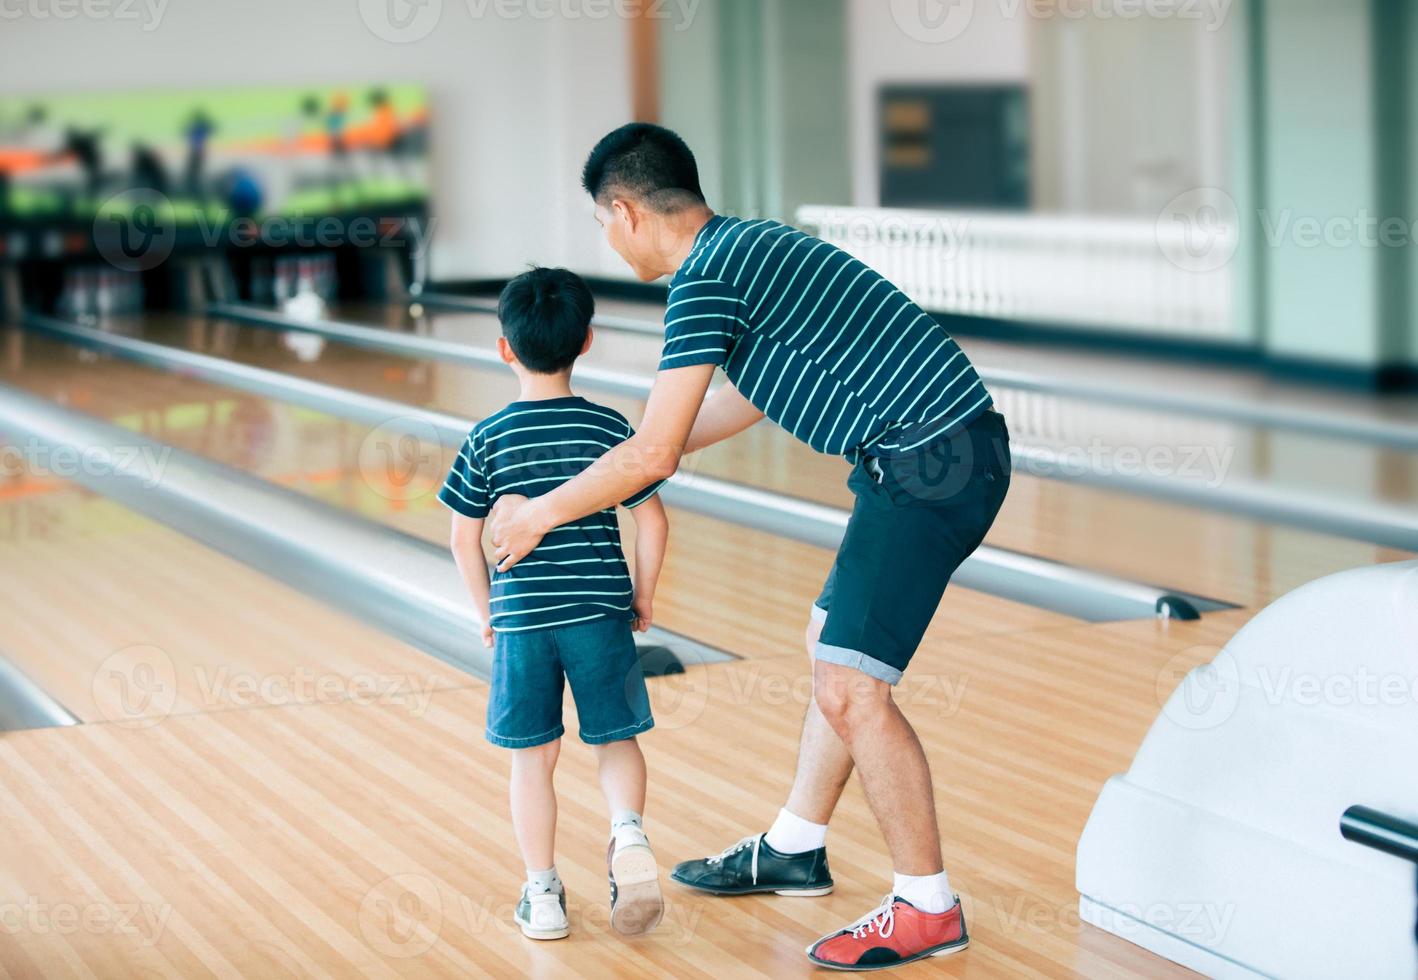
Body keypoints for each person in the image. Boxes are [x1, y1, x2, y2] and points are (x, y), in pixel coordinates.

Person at [488, 124, 1012, 970]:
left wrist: (541, 509)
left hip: (929, 462)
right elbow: (739, 404)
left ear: (623, 210)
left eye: (601, 224)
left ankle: (927, 906)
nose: (607, 240)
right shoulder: (745, 251)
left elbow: (655, 452)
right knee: (829, 650)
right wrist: (617, 456)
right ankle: (796, 846)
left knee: (851, 688)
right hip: (927, 458)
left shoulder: (705, 282)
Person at [441, 266, 670, 941]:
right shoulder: (609, 429)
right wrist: (641, 594)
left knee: (532, 758)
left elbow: (463, 539)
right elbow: (653, 522)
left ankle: (543, 896)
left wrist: (488, 612)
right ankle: (628, 836)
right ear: (588, 340)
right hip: (600, 614)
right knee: (616, 738)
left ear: (504, 347)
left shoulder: (487, 437)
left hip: (524, 624)